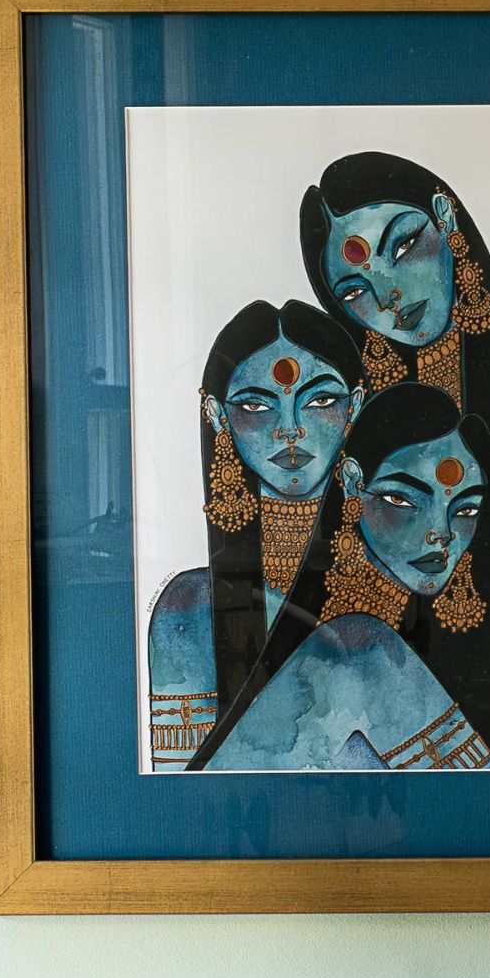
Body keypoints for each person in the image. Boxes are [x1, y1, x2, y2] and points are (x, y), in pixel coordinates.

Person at [292, 148, 490, 769]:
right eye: (355, 290)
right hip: (370, 757)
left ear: (444, 218)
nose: (390, 297)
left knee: (361, 660)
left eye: (403, 250)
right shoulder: (356, 424)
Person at [190, 383, 490, 772]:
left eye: (466, 510)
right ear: (354, 480)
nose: (440, 533)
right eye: (403, 500)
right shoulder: (361, 649)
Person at [141, 297, 362, 766]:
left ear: (355, 408)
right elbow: (184, 794)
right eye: (257, 406)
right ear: (218, 416)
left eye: (320, 400)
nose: (290, 430)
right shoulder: (189, 609)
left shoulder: (403, 566)